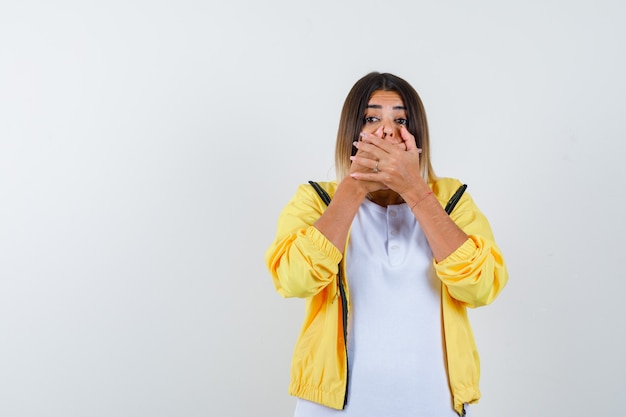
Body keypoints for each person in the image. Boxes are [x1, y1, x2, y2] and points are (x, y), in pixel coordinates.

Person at [264, 72, 508, 417]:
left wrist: (413, 189)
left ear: (416, 135)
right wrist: (354, 187)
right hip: (333, 408)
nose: (387, 131)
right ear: (353, 133)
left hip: (434, 405)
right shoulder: (316, 200)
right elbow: (293, 280)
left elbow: (481, 287)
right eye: (371, 118)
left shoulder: (451, 200)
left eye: (401, 119)